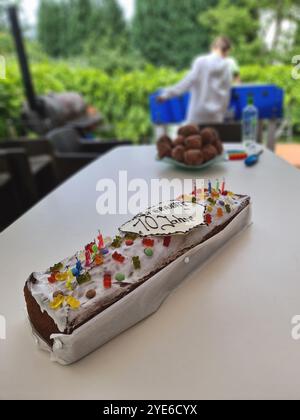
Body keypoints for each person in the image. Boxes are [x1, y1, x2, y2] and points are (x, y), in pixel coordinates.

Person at [158, 36, 232, 125]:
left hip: (197, 115)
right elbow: (227, 94)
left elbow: (187, 82)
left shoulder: (201, 61)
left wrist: (166, 94)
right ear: (227, 51)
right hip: (216, 117)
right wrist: (221, 113)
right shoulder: (227, 68)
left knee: (193, 138)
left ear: (213, 47)